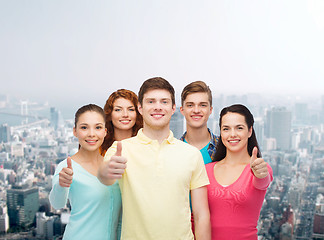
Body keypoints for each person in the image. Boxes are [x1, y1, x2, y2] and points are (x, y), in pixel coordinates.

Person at [98, 77, 211, 240]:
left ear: (173, 108)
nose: (157, 107)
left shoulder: (192, 154)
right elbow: (104, 177)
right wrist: (107, 170)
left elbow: (201, 215)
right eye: (151, 101)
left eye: (164, 102)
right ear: (140, 108)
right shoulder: (121, 149)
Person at [49, 104, 121, 240]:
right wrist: (61, 185)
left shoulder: (112, 165)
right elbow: (57, 203)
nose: (91, 134)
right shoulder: (66, 167)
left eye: (98, 127)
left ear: (105, 132)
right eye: (84, 127)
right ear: (75, 132)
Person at [206, 104, 273, 240]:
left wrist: (260, 174)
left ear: (249, 131)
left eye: (239, 128)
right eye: (226, 129)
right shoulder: (206, 170)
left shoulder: (258, 168)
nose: (232, 134)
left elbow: (262, 181)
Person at [180, 81, 218, 164]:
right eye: (190, 105)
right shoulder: (173, 149)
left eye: (203, 105)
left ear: (210, 110)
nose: (196, 110)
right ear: (182, 110)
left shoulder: (224, 147)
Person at [100, 89, 143, 156]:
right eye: (118, 110)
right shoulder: (99, 147)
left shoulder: (146, 144)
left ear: (137, 113)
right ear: (109, 114)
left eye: (131, 109)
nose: (125, 115)